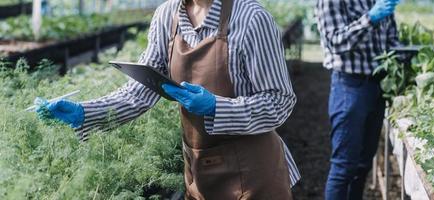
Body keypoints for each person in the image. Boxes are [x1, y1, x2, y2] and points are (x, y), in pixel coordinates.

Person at [35, 0, 300, 199]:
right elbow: (140, 91)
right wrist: (84, 112)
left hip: (254, 172)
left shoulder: (252, 19)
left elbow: (280, 101)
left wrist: (217, 107)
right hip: (199, 171)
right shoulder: (167, 16)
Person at [315, 0, 400, 199]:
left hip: (377, 87)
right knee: (344, 167)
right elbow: (335, 41)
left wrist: (415, 52)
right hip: (349, 86)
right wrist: (370, 18)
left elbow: (391, 42)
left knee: (363, 165)